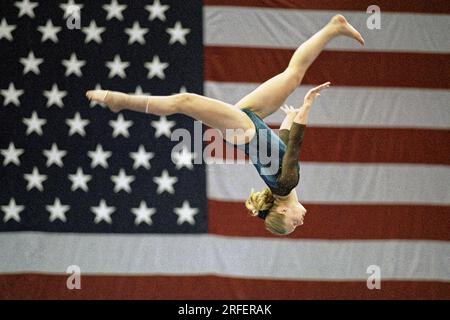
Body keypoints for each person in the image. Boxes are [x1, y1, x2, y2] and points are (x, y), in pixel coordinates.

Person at [86, 14, 365, 235]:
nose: (300, 223)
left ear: (281, 212)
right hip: (249, 122)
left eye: (292, 225)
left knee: (184, 101)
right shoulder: (286, 187)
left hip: (244, 129)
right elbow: (275, 152)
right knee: (292, 75)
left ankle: (119, 100)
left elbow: (292, 150)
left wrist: (305, 109)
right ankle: (333, 28)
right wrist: (289, 123)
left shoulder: (287, 185)